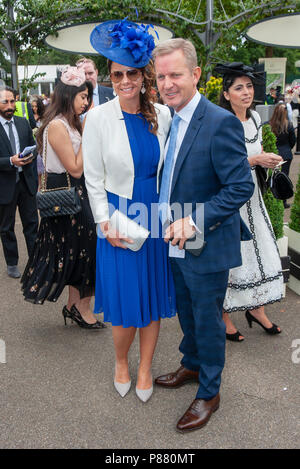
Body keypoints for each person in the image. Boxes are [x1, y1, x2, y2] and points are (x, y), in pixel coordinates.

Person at [152, 42, 254, 432]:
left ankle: (209, 392)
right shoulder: (169, 118)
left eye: (175, 74)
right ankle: (192, 365)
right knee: (186, 310)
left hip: (204, 238)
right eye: (161, 76)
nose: (167, 83)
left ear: (195, 74)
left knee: (209, 319)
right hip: (173, 238)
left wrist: (194, 221)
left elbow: (239, 186)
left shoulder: (219, 121)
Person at [82, 19, 176, 402]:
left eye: (131, 73)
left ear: (143, 74)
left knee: (151, 298)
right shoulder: (98, 118)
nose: (125, 81)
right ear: (110, 75)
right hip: (118, 218)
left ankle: (144, 368)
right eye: (117, 74)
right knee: (124, 302)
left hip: (154, 217)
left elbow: (169, 171)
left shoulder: (163, 115)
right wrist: (105, 223)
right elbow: (92, 178)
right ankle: (122, 360)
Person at [21, 67, 105, 331]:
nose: (86, 102)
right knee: (79, 252)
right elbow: (76, 168)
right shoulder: (57, 125)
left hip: (77, 195)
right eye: (82, 96)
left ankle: (76, 306)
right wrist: (90, 134)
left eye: (87, 96)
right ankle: (80, 308)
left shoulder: (70, 122)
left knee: (81, 252)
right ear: (68, 96)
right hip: (68, 196)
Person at [215, 62, 284, 342]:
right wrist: (255, 160)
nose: (246, 92)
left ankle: (257, 309)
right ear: (227, 93)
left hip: (254, 197)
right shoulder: (221, 122)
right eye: (238, 88)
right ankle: (224, 315)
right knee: (235, 255)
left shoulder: (255, 118)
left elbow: (255, 151)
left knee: (260, 251)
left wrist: (268, 159)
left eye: (249, 86)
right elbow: (220, 164)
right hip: (232, 199)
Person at [0, 86, 38, 279]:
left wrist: (31, 155)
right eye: (5, 102)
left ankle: (35, 261)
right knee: (6, 227)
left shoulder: (23, 123)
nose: (10, 105)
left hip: (26, 181)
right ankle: (12, 263)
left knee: (31, 223)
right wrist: (10, 161)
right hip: (5, 184)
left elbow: (34, 146)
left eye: (12, 101)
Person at [269, 102, 296, 208]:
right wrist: (287, 149)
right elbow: (292, 141)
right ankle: (283, 201)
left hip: (273, 153)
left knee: (271, 177)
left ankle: (273, 198)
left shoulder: (268, 124)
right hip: (286, 154)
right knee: (284, 177)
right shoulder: (288, 125)